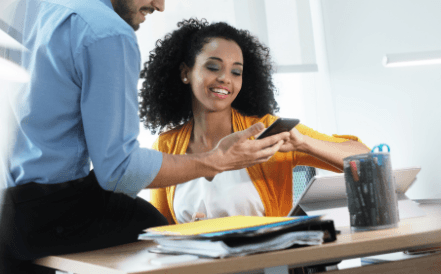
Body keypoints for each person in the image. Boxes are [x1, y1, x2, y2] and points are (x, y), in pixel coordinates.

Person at [0, 0, 289, 274]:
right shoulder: (108, 32)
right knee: (178, 246)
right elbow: (118, 170)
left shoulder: (21, 8)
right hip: (49, 213)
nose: (160, 4)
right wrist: (215, 161)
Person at [140, 18, 370, 224]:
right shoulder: (166, 147)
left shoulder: (268, 131)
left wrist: (304, 144)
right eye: (213, 67)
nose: (224, 79)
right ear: (185, 73)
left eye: (236, 72)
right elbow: (161, 233)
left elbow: (367, 161)